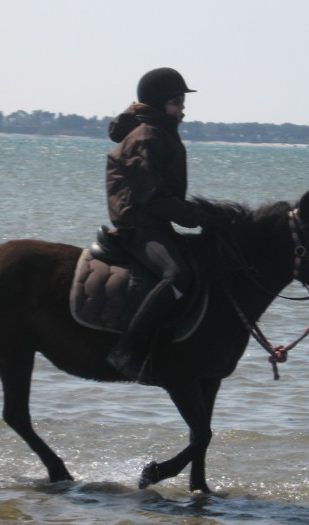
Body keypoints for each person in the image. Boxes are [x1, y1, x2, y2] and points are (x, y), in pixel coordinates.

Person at [105, 67, 209, 380]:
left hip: (156, 226)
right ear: (160, 102)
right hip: (137, 228)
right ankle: (128, 352)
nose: (182, 108)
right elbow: (153, 198)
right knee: (177, 275)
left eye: (181, 101)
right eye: (177, 101)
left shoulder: (160, 133)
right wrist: (200, 216)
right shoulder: (144, 138)